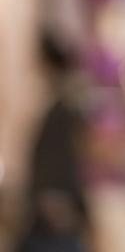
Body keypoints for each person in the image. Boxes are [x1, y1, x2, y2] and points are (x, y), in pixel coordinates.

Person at [16, 32, 91, 252]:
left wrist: (55, 197)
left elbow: (61, 156)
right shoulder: (57, 103)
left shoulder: (63, 107)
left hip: (56, 202)